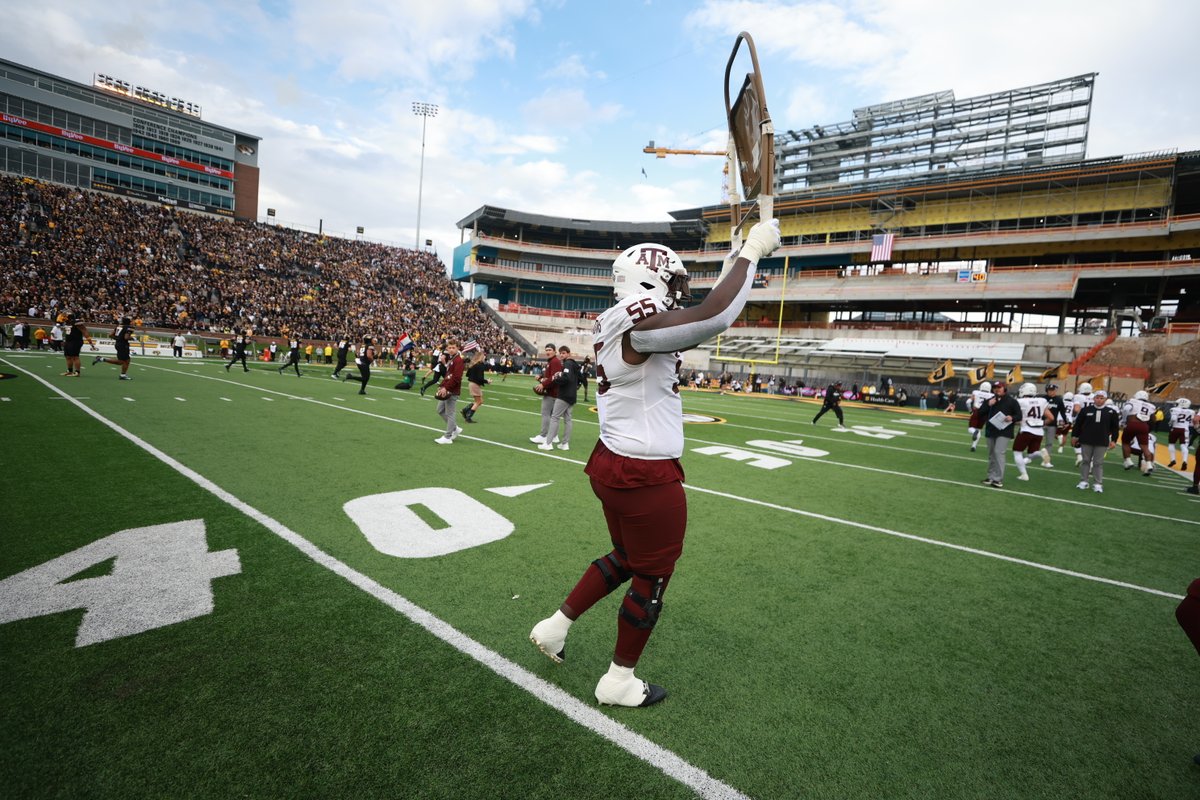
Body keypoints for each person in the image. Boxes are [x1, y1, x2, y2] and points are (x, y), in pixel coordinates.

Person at [529, 219, 781, 707]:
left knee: (627, 557)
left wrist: (736, 265)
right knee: (652, 573)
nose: (680, 292)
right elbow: (713, 317)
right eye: (675, 282)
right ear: (651, 280)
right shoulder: (638, 320)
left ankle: (554, 627)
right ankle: (619, 681)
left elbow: (693, 318)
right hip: (643, 471)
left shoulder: (616, 317)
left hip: (613, 460)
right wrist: (749, 252)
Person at [1071, 388, 1119, 493]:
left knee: (1098, 463)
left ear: (1105, 399)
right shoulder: (1086, 410)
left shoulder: (1111, 412)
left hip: (1102, 441)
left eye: (1101, 398)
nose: (1099, 400)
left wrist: (1114, 440)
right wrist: (1074, 436)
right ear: (1094, 398)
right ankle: (1084, 481)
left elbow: (1115, 428)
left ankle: (1098, 483)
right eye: (1097, 397)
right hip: (1086, 439)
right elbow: (1078, 424)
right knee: (1086, 461)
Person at [981, 380, 1020, 487]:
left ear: (1004, 388)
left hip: (1004, 431)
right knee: (991, 455)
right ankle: (990, 477)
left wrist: (1012, 417)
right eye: (995, 387)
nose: (997, 389)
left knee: (999, 452)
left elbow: (1019, 415)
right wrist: (988, 404)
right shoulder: (990, 400)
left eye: (999, 387)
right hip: (991, 430)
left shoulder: (1012, 401)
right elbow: (980, 412)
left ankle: (998, 479)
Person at [540, 345, 579, 451]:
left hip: (564, 395)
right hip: (572, 395)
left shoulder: (567, 363)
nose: (561, 355)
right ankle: (565, 444)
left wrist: (557, 378)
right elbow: (579, 379)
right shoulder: (575, 364)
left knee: (555, 417)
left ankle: (548, 443)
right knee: (568, 419)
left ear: (568, 353)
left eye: (564, 353)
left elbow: (566, 378)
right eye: (561, 353)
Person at [1012, 383, 1054, 481]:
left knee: (1017, 453)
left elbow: (1018, 418)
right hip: (1039, 432)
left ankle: (1024, 475)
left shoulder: (1020, 401)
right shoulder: (1042, 400)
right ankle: (1040, 453)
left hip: (1026, 430)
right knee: (1031, 454)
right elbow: (1051, 418)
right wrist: (1040, 423)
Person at [529, 344, 562, 445]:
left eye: (550, 350)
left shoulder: (555, 361)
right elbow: (550, 376)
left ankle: (543, 435)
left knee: (546, 414)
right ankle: (554, 436)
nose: (548, 352)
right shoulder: (552, 361)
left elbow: (554, 377)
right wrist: (541, 377)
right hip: (554, 392)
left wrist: (543, 384)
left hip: (551, 393)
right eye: (546, 350)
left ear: (555, 351)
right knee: (553, 416)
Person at [433, 341, 464, 444]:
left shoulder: (458, 360)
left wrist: (446, 388)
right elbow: (448, 375)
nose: (451, 349)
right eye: (449, 347)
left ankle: (448, 437)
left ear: (457, 348)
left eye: (453, 347)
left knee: (450, 413)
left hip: (452, 391)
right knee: (439, 410)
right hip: (447, 388)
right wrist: (442, 386)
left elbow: (456, 378)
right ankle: (455, 428)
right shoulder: (452, 359)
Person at [1120, 389, 1157, 475]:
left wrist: (1124, 420)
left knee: (1125, 442)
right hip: (1144, 426)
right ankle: (1149, 464)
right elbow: (1153, 419)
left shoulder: (1132, 401)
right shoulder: (1151, 406)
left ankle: (1128, 461)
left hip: (1132, 424)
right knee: (1145, 447)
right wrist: (1148, 428)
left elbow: (1126, 409)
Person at [1038, 384, 1065, 466]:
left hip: (1052, 424)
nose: (1052, 391)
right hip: (1041, 423)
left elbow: (1062, 412)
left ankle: (1046, 460)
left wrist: (1065, 421)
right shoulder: (1042, 399)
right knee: (1036, 441)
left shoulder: (1059, 400)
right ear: (1047, 390)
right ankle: (1031, 456)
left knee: (1049, 443)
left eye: (1053, 390)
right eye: (1050, 390)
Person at [462, 349, 489, 423]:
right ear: (480, 358)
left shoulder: (473, 365)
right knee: (478, 402)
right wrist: (487, 381)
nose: (484, 358)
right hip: (475, 385)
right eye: (483, 357)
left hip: (471, 383)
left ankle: (465, 410)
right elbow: (480, 378)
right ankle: (468, 417)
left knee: (480, 401)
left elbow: (467, 375)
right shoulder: (480, 366)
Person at [1167, 398, 1194, 471]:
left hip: (1175, 428)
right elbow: (1191, 422)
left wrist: (1170, 423)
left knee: (1171, 444)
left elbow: (1173, 418)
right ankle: (1185, 461)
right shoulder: (1191, 411)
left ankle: (1173, 460)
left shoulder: (1174, 409)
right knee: (1183, 445)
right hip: (1185, 430)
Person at [967, 381, 994, 452]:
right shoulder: (992, 395)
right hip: (985, 414)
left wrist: (970, 411)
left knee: (971, 428)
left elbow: (968, 402)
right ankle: (974, 446)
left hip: (977, 411)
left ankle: (974, 432)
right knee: (979, 429)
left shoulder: (975, 392)